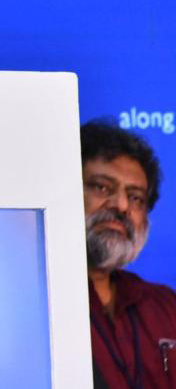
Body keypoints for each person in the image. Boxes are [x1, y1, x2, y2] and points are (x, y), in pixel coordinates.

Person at [80, 119, 176, 387]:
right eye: (102, 187)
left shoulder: (165, 306)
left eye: (135, 198)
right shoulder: (39, 302)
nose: (121, 205)